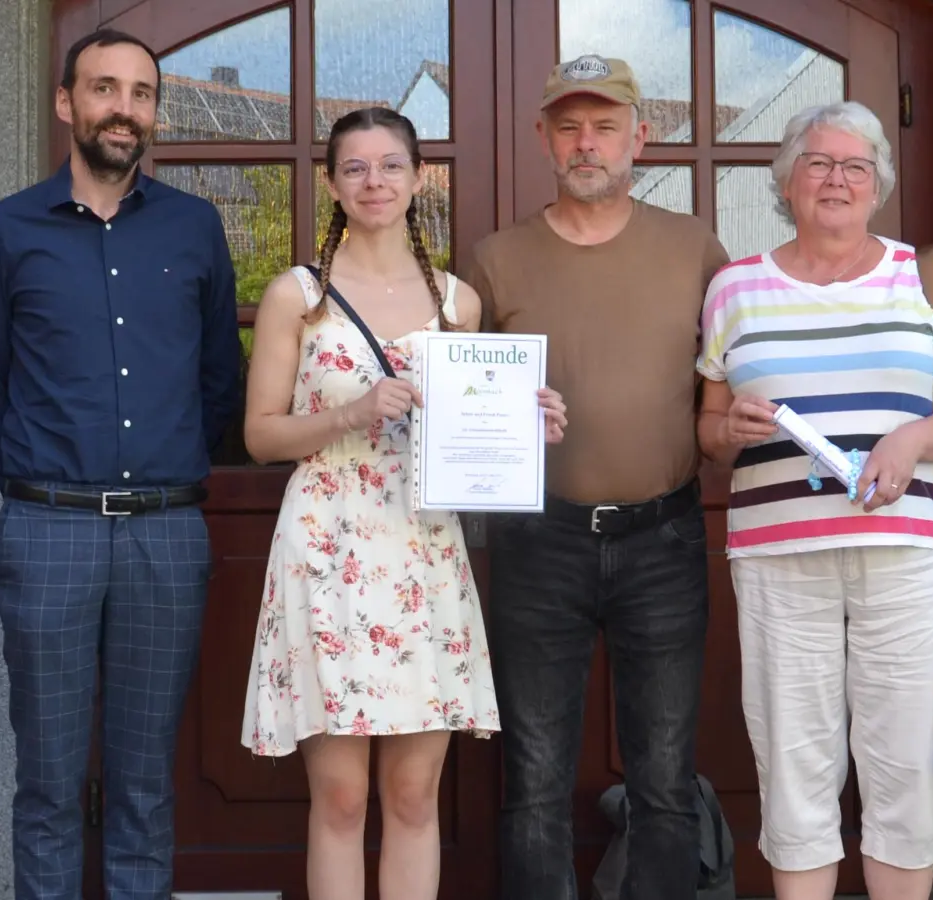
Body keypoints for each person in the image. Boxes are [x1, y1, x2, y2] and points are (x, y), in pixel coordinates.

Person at [237, 106, 567, 900]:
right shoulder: (299, 296)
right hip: (327, 546)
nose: (374, 181)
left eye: (391, 166)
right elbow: (259, 436)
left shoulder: (458, 302)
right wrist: (351, 413)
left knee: (415, 797)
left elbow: (469, 433)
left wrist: (525, 426)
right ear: (333, 184)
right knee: (342, 797)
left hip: (420, 551)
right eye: (355, 168)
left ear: (419, 179)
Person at [0, 28, 241, 900]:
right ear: (66, 103)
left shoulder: (194, 228)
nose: (125, 108)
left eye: (142, 93)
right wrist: (39, 490)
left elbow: (218, 382)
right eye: (106, 88)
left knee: (145, 785)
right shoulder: (4, 231)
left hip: (165, 532)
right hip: (50, 531)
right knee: (46, 781)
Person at [694, 101, 933, 900]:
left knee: (901, 757)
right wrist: (733, 427)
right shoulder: (735, 287)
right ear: (787, 181)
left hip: (904, 548)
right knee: (793, 756)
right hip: (778, 555)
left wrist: (911, 441)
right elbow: (708, 434)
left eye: (855, 166)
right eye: (818, 163)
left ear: (878, 186)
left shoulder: (926, 274)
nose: (836, 179)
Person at [458, 55, 730, 900]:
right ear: (543, 138)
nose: (587, 143)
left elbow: (725, 390)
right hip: (540, 544)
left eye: (605, 125)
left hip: (665, 537)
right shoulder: (496, 259)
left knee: (663, 781)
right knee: (534, 782)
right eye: (569, 126)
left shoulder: (696, 248)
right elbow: (461, 403)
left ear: (639, 139)